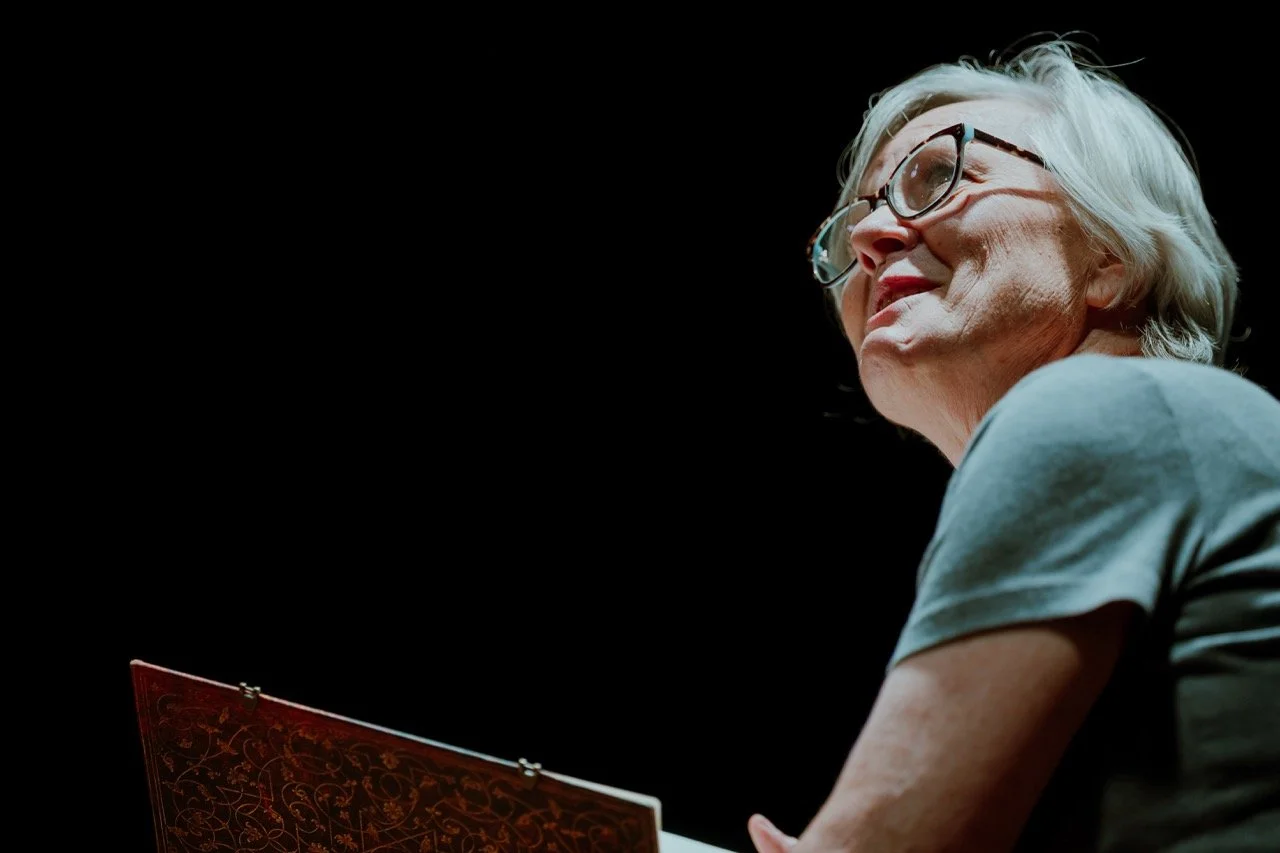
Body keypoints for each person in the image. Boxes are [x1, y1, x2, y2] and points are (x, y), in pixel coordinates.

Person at [747, 40, 1280, 852]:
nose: (872, 237)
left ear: (1113, 251)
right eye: (853, 220)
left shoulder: (1100, 406)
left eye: (938, 175)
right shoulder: (1187, 426)